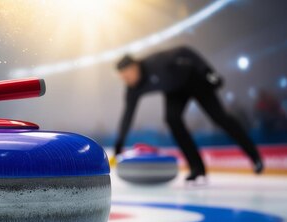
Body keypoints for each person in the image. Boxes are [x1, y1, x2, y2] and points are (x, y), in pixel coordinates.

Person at [113, 46, 263, 181]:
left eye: (127, 76)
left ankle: (255, 156)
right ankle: (197, 168)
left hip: (195, 80)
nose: (126, 81)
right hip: (174, 91)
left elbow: (185, 51)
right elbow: (128, 115)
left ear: (135, 67)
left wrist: (208, 72)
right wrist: (119, 143)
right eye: (123, 79)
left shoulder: (156, 62)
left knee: (220, 118)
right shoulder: (132, 89)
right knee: (172, 120)